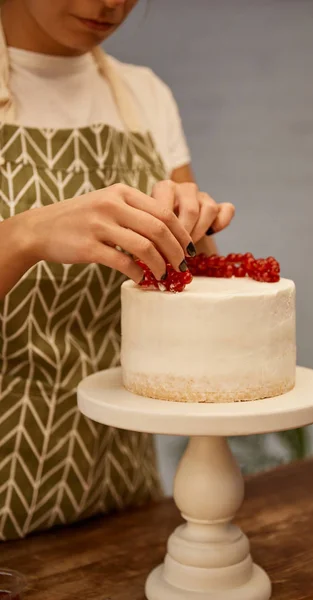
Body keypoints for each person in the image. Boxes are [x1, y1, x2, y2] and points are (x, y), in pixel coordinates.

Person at [0, 0, 235, 540]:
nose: (109, 3)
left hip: (119, 489)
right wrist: (27, 235)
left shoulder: (145, 95)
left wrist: (195, 233)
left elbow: (193, 285)